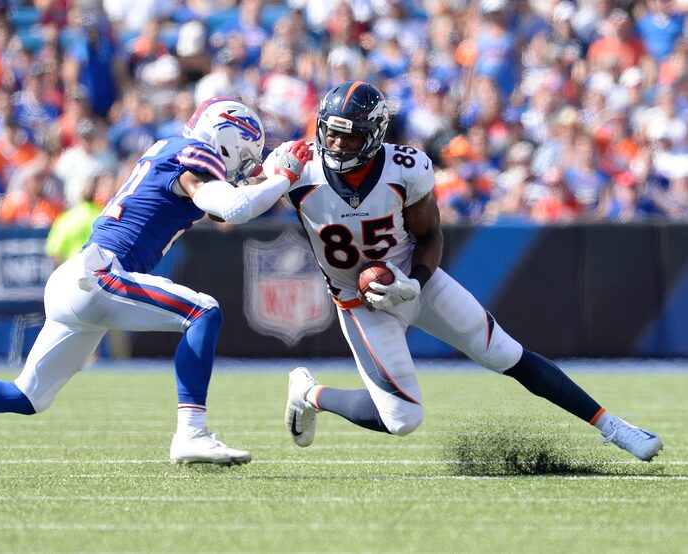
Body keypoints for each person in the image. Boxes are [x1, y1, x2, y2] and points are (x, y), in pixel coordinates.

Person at [0, 97, 312, 467]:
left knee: (27, 395)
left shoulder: (173, 151)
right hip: (101, 273)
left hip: (78, 278)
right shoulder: (193, 154)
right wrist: (282, 177)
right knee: (204, 310)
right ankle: (191, 432)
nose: (247, 162)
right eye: (248, 151)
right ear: (227, 136)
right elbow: (235, 209)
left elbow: (227, 210)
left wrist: (268, 178)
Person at [268, 81, 663, 462]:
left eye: (351, 136)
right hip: (359, 302)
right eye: (332, 133)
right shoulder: (298, 167)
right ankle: (310, 393)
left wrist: (413, 283)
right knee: (402, 420)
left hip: (411, 277)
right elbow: (239, 204)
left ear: (374, 136)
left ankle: (614, 426)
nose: (337, 144)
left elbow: (430, 235)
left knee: (507, 353)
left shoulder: (405, 168)